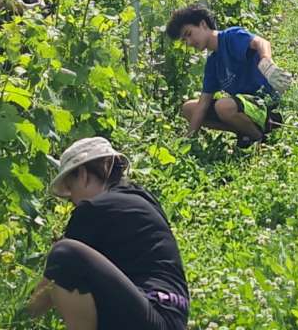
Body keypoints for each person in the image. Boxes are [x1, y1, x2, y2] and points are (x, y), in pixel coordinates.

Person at [26, 137, 190, 330]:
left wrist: (19, 316)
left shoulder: (93, 210)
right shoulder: (142, 199)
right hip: (168, 317)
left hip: (150, 317)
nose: (71, 199)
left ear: (83, 175)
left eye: (71, 187)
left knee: (64, 253)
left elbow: (51, 282)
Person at [165, 5, 292, 148]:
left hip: (265, 105)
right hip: (245, 109)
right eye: (184, 40)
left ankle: (260, 139)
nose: (188, 42)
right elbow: (203, 104)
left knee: (223, 106)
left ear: (203, 24)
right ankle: (244, 131)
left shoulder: (230, 37)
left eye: (189, 34)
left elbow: (261, 42)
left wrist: (266, 62)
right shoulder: (212, 63)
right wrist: (187, 141)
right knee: (189, 109)